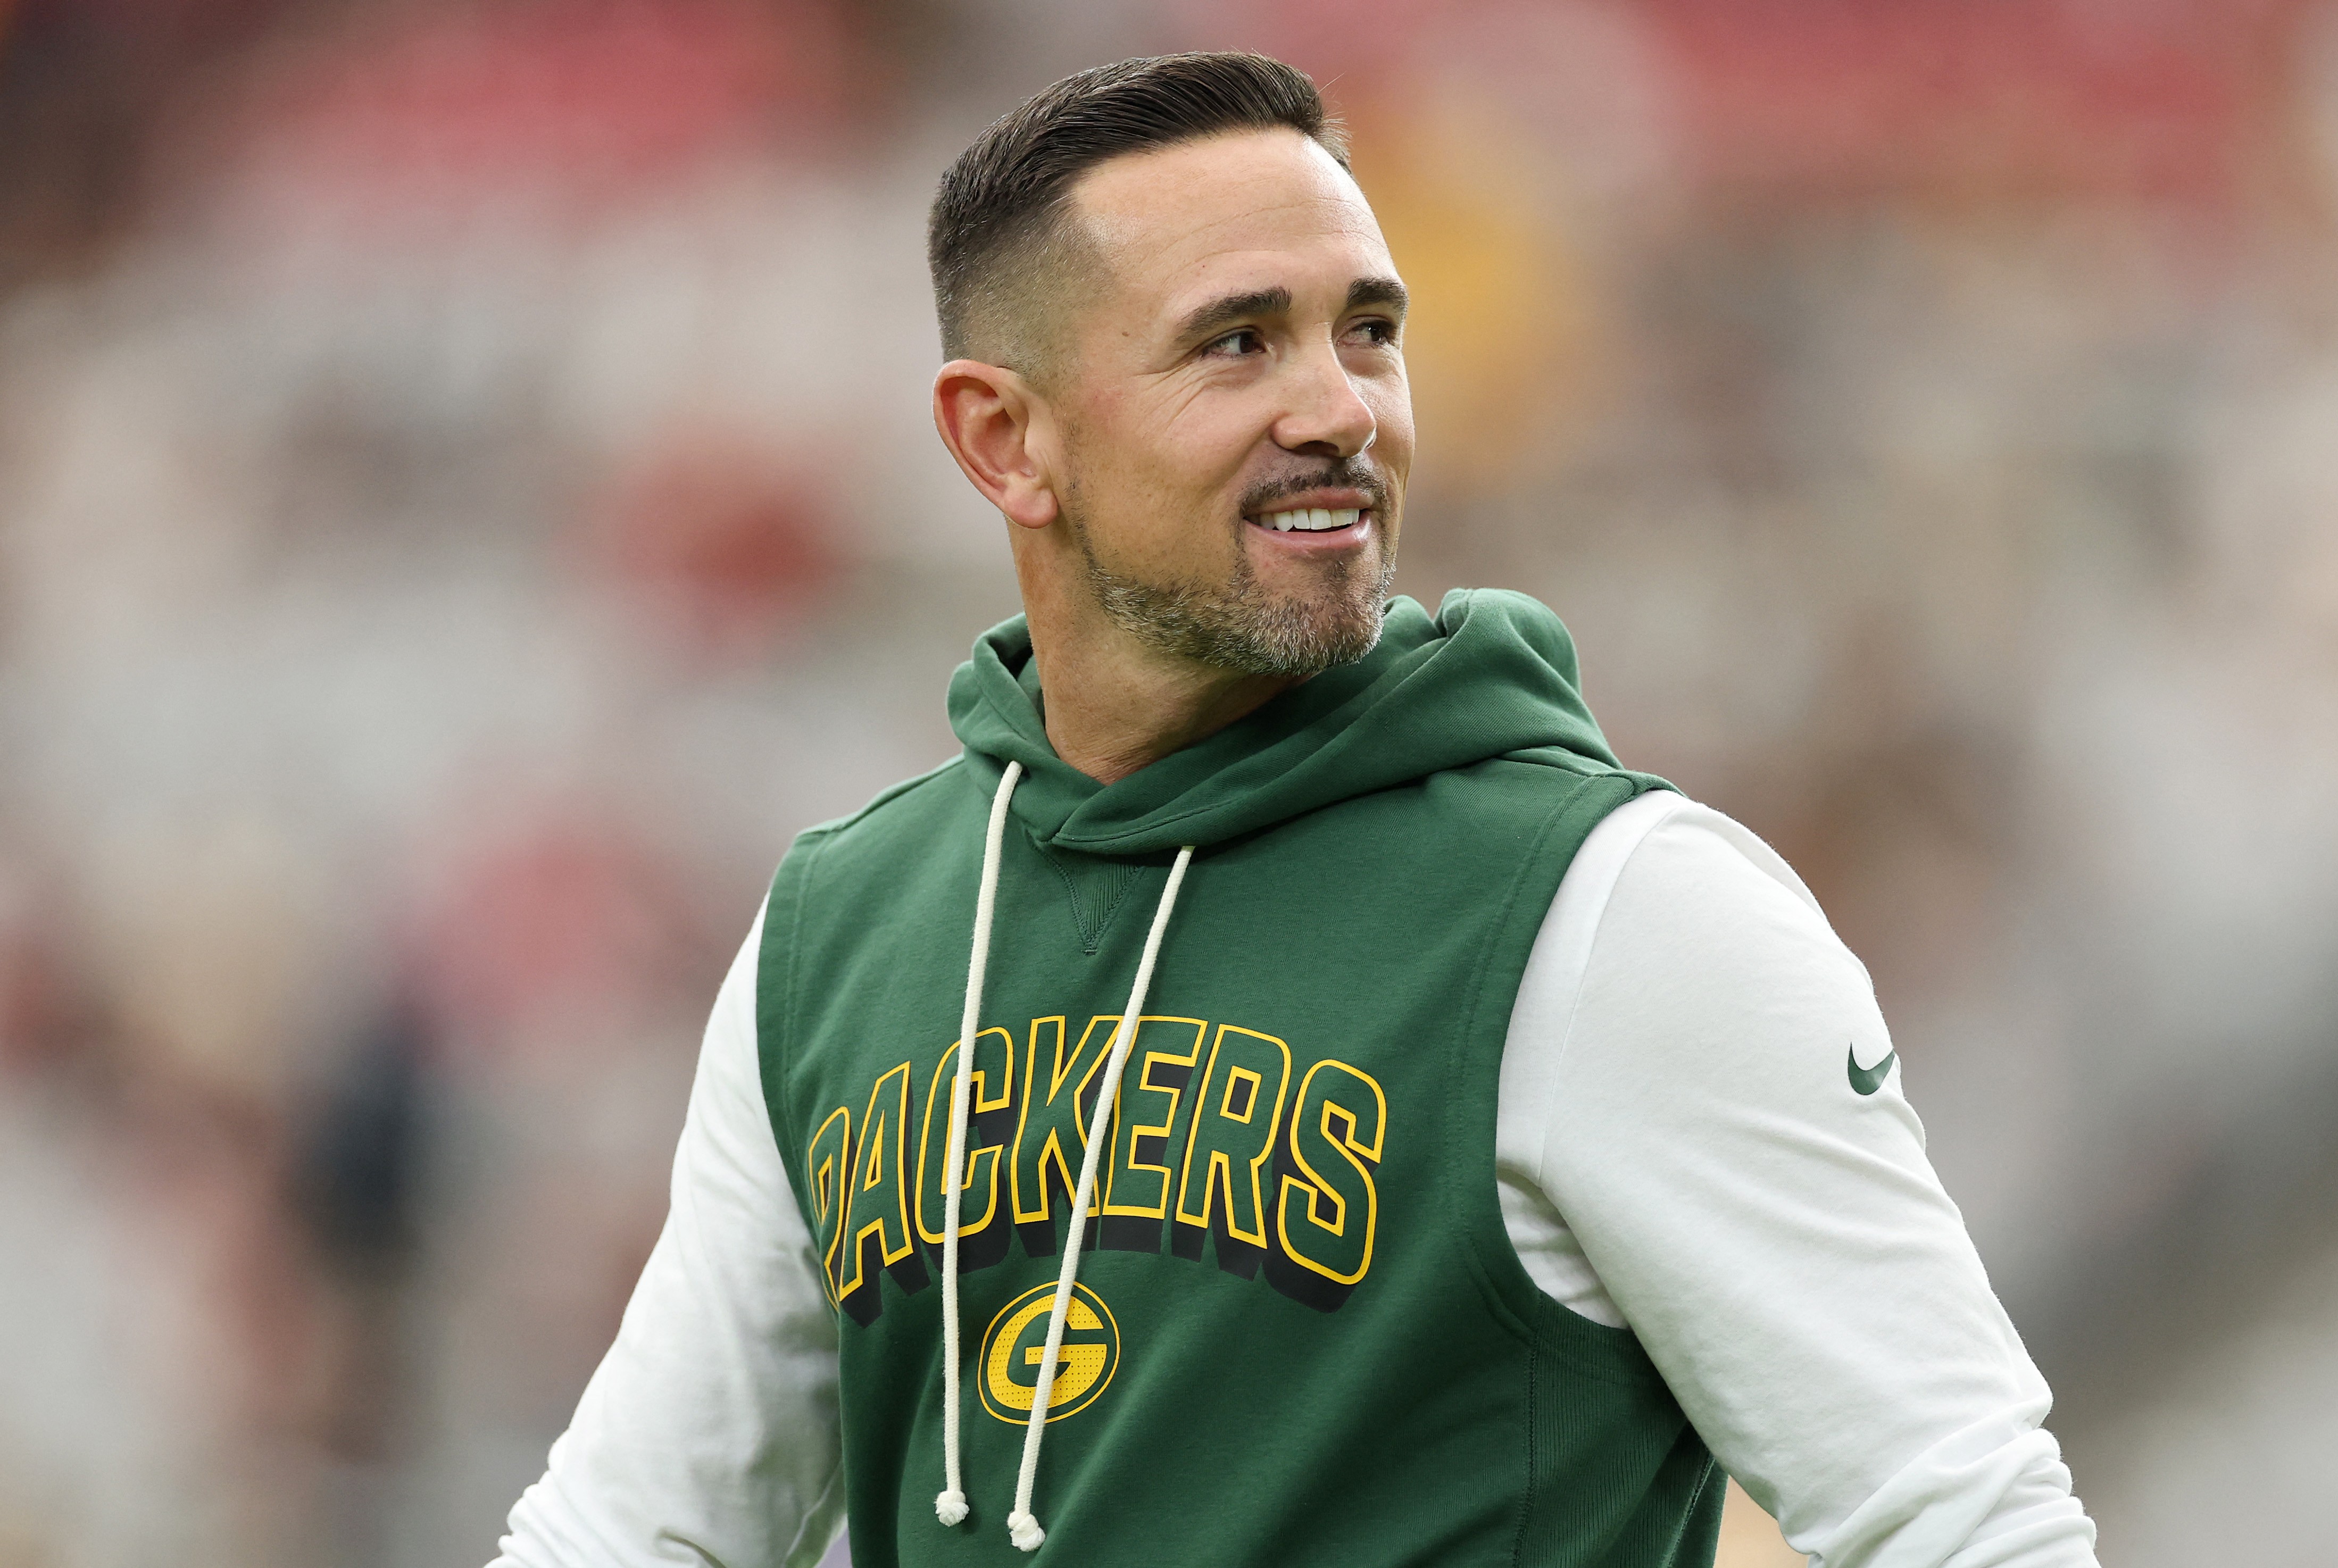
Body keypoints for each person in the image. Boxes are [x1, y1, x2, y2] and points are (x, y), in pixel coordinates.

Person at [489, 53, 2100, 1568]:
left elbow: (1967, 1518)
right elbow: (629, 1529)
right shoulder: (839, 933)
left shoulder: (1616, 909)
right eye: (1239, 340)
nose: (1342, 408)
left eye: (1371, 331)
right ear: (1004, 438)